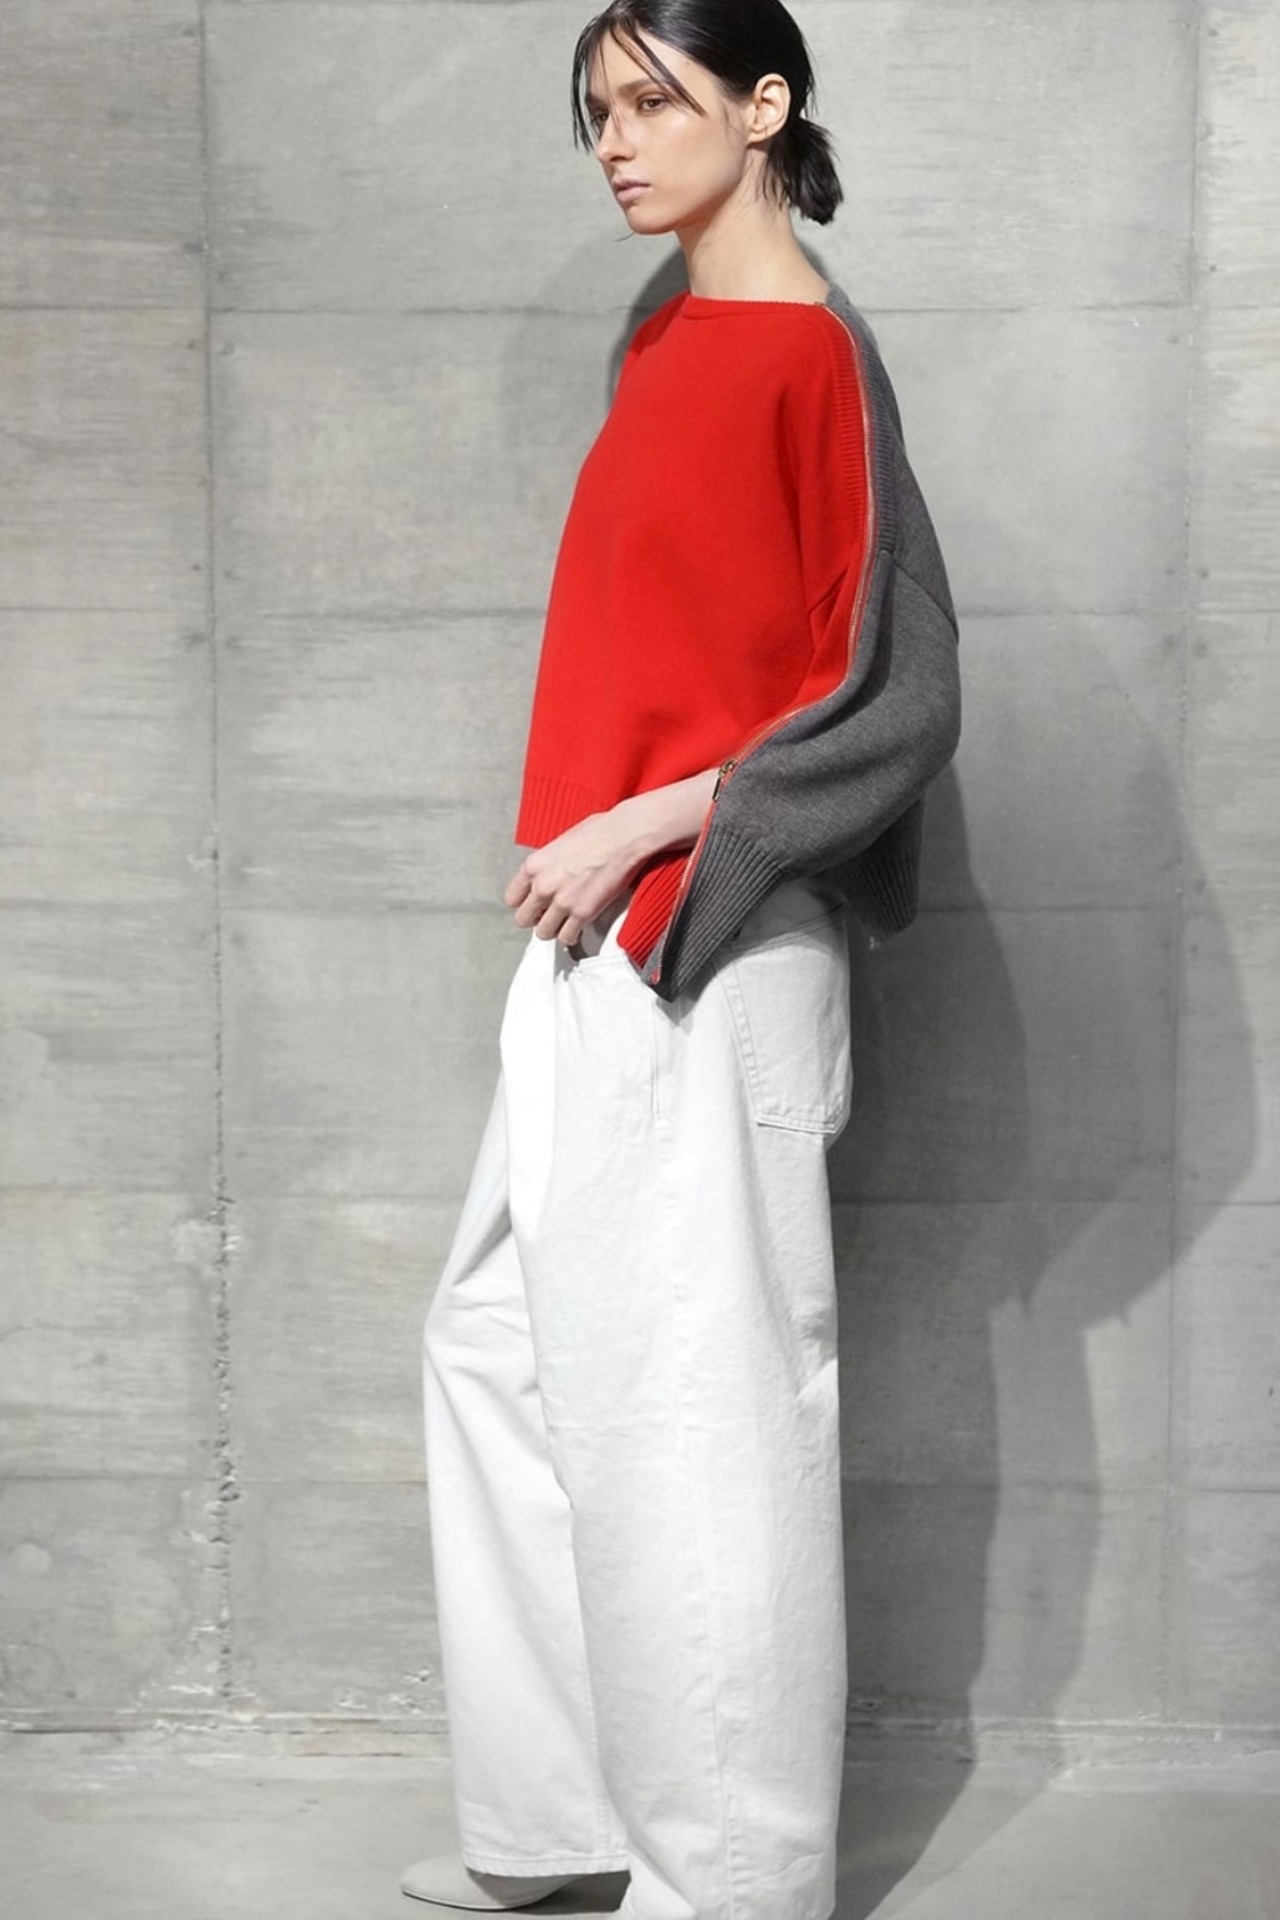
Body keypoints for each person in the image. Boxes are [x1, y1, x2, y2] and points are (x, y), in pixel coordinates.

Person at [402, 4, 960, 1918]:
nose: (618, 142)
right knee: (501, 1350)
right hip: (597, 934)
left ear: (766, 103)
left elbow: (896, 701)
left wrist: (646, 824)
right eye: (598, 112)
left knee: (705, 1407)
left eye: (653, 100)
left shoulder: (813, 357)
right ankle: (562, 1820)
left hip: (709, 940)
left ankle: (731, 1882)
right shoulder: (666, 341)